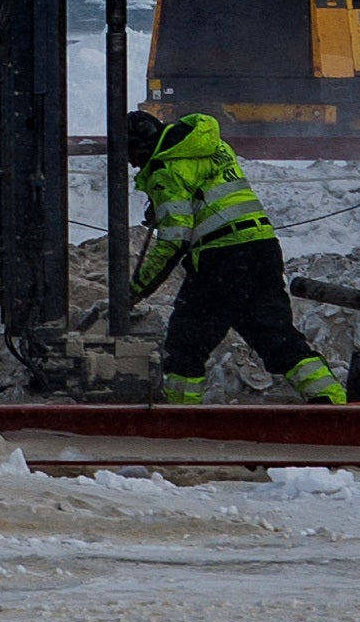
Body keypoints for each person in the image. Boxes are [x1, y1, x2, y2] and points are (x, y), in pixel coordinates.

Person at [123, 108, 347, 406]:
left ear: (141, 146)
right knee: (276, 337)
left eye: (132, 157)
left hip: (222, 259)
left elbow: (173, 242)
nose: (134, 165)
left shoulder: (166, 171)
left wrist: (135, 290)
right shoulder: (214, 146)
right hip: (262, 249)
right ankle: (332, 401)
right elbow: (209, 189)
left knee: (186, 345)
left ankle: (178, 420)